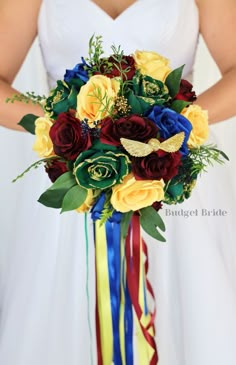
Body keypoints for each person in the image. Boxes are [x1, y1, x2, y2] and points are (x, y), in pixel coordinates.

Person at [0, 0, 236, 364]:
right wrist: (66, 128)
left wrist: (172, 127)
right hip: (70, 177)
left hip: (172, 172)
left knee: (192, 312)